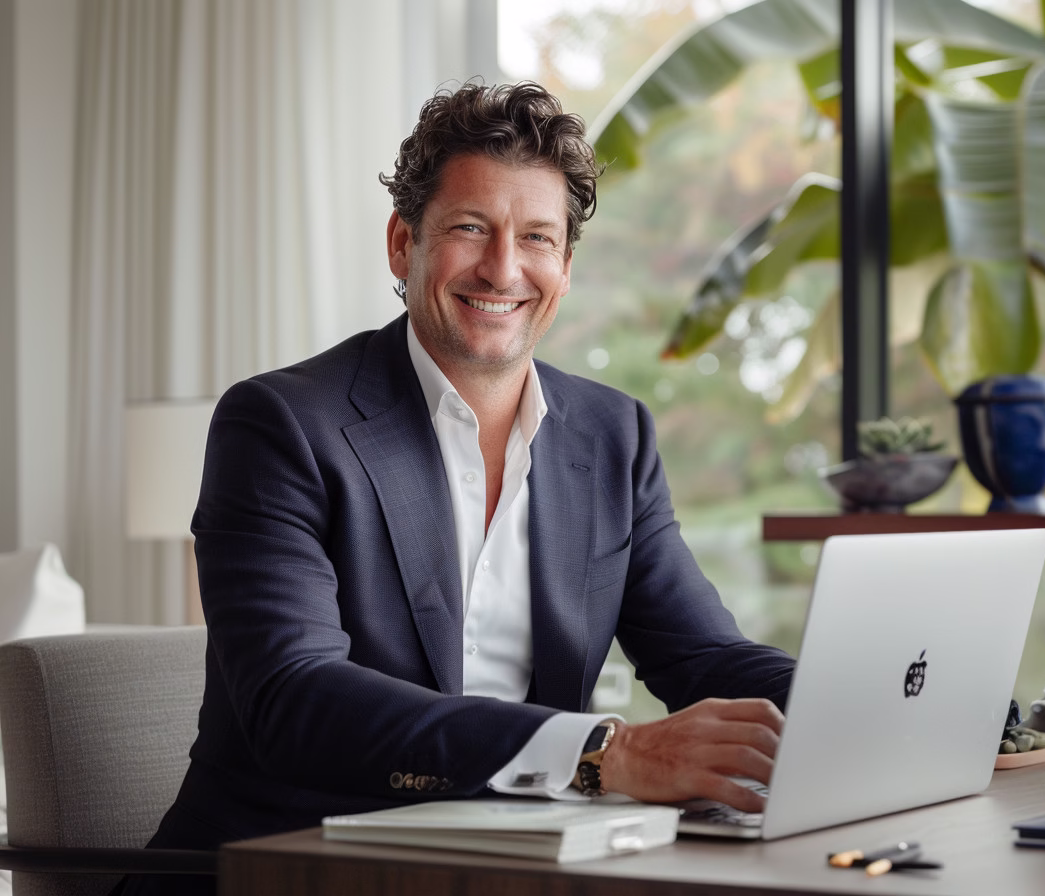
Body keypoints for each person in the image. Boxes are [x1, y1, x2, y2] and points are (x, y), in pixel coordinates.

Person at [119, 81, 794, 895]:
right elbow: (294, 699)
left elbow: (704, 657)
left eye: (537, 237)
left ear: (567, 268)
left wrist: (878, 707)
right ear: (403, 244)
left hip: (512, 869)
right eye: (471, 228)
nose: (504, 268)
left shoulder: (613, 437)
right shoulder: (281, 424)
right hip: (285, 868)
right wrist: (604, 755)